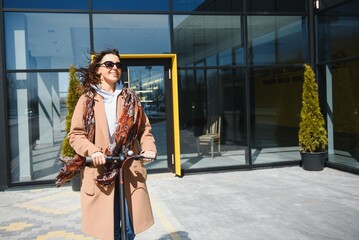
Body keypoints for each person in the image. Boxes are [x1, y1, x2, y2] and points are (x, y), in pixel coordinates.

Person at [67, 49, 156, 240]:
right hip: (101, 170)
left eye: (118, 65)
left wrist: (149, 148)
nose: (114, 68)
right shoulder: (86, 100)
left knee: (130, 229)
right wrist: (92, 150)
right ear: (98, 69)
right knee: (110, 230)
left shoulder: (131, 98)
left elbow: (144, 129)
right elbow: (76, 134)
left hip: (128, 168)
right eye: (109, 64)